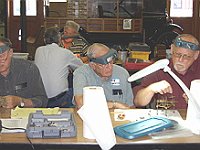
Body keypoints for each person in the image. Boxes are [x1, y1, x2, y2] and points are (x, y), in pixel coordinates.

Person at [133, 34, 200, 109]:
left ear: (196, 55)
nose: (180, 60)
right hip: (167, 118)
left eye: (186, 56)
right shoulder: (161, 68)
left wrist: (196, 102)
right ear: (171, 49)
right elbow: (138, 101)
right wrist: (151, 89)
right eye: (177, 54)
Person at [73, 43, 134, 109]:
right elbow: (80, 103)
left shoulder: (122, 73)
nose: (109, 67)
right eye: (103, 65)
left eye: (111, 62)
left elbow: (130, 106)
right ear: (92, 65)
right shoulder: (81, 73)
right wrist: (113, 105)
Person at [34, 27, 83, 108]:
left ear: (44, 39)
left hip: (42, 98)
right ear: (60, 39)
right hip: (59, 100)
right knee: (74, 88)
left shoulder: (38, 50)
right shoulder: (65, 52)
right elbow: (81, 68)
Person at [0, 37, 48, 108]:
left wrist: (20, 101)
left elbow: (42, 101)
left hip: (25, 116)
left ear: (10, 53)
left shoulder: (28, 69)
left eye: (2, 56)